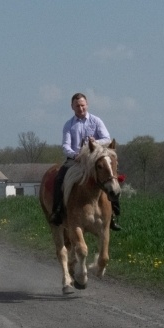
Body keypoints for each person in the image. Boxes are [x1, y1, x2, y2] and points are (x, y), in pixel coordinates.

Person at [50, 92, 122, 230]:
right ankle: (58, 211)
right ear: (72, 107)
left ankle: (113, 214)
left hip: (94, 160)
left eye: (82, 105)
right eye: (77, 106)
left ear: (87, 105)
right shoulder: (69, 125)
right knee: (59, 178)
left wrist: (95, 142)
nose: (80, 108)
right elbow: (65, 145)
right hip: (76, 161)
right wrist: (74, 154)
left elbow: (107, 138)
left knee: (111, 178)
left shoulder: (96, 121)